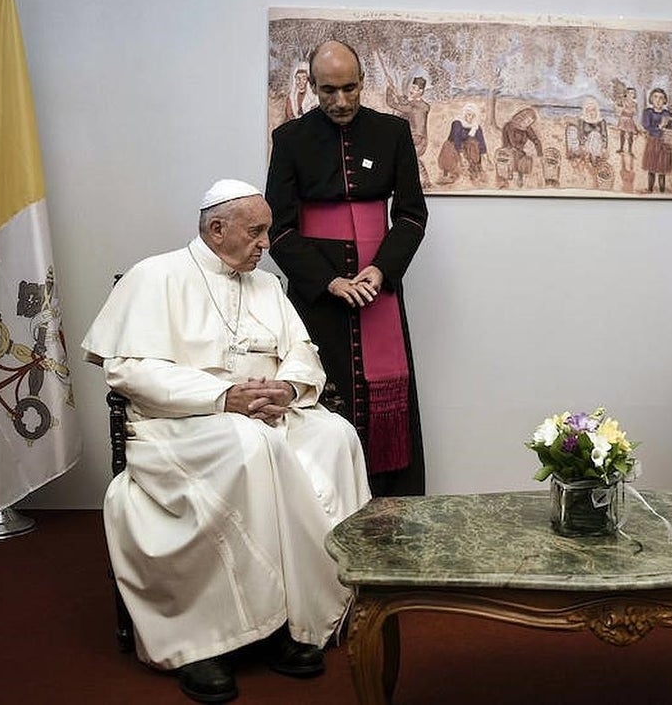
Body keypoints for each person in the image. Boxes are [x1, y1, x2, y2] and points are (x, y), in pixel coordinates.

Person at [82, 179, 371, 703]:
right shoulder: (157, 275)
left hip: (269, 413)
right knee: (248, 447)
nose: (267, 243)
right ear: (218, 229)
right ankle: (209, 640)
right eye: (257, 232)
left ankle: (299, 617)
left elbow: (302, 352)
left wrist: (289, 386)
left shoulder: (266, 285)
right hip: (183, 422)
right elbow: (127, 371)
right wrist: (224, 395)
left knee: (334, 434)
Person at [266, 40, 428, 497]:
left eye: (350, 88)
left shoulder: (392, 132)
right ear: (313, 87)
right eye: (328, 91)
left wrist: (380, 270)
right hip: (318, 293)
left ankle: (392, 509)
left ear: (363, 82)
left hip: (379, 287)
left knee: (386, 403)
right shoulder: (290, 139)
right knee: (322, 393)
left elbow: (412, 214)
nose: (340, 101)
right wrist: (329, 280)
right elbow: (279, 226)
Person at [385, 75, 432, 187]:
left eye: (415, 89)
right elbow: (403, 104)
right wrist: (390, 89)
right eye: (412, 87)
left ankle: (424, 180)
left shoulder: (419, 106)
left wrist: (390, 91)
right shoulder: (412, 104)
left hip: (419, 140)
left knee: (411, 157)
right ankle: (423, 181)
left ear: (421, 92)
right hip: (411, 138)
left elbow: (393, 104)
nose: (412, 90)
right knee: (409, 158)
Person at [641, 87, 672, 193]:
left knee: (662, 168)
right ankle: (650, 190)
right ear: (651, 99)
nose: (658, 100)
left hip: (664, 143)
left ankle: (662, 192)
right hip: (653, 142)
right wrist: (659, 126)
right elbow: (646, 126)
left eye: (661, 98)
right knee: (652, 167)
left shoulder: (667, 113)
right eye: (655, 97)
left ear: (664, 100)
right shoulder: (647, 112)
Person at [436, 102, 487, 183]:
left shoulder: (475, 126)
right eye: (468, 114)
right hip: (453, 144)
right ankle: (450, 174)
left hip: (467, 146)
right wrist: (461, 154)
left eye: (472, 115)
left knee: (474, 144)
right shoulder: (457, 123)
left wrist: (484, 154)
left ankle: (474, 170)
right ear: (464, 114)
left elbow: (481, 140)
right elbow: (457, 138)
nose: (470, 117)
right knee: (451, 152)